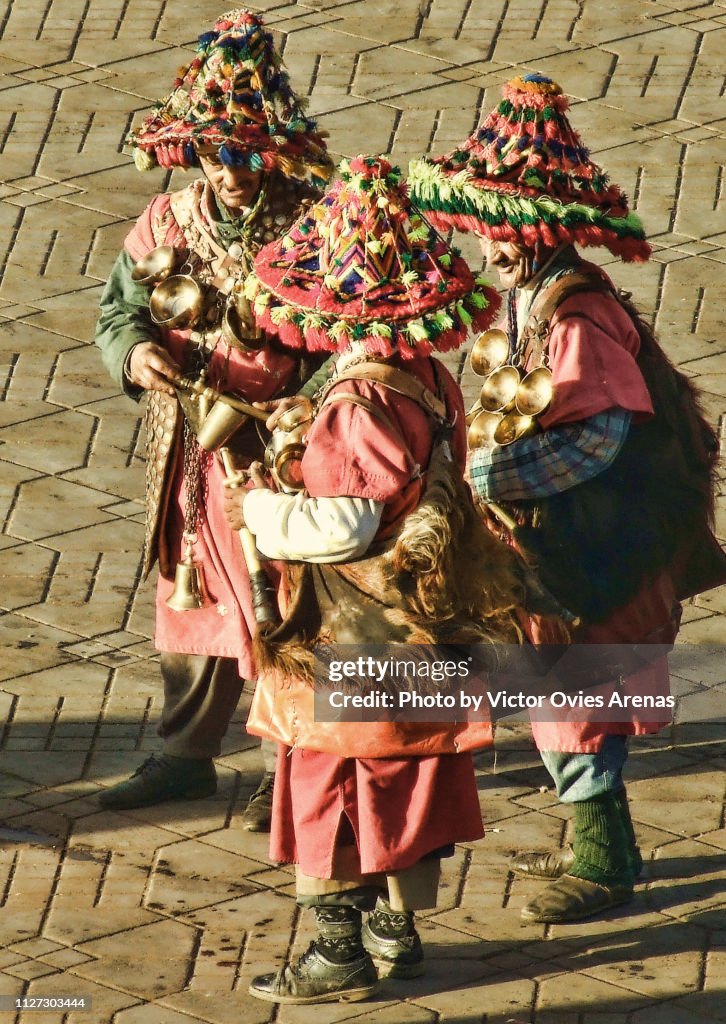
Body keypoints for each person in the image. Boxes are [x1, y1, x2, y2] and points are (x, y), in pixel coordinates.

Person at [409, 74, 726, 923]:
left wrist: (483, 477)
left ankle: (603, 861)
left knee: (574, 702)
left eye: (505, 232)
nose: (491, 246)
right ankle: (604, 845)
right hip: (572, 549)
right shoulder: (530, 298)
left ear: (542, 234)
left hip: (596, 552)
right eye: (485, 229)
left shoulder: (576, 319)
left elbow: (601, 436)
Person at [224, 155, 522, 1003]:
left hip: (357, 636)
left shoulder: (358, 402)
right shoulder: (427, 379)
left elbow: (349, 523)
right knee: (401, 783)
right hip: (424, 628)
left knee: (335, 784)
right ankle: (398, 932)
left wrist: (263, 514)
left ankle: (337, 954)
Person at [93, 8, 333, 825]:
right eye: (217, 153)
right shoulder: (165, 224)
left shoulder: (316, 221)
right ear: (192, 150)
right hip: (191, 446)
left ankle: (291, 757)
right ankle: (185, 753)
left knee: (289, 598)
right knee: (192, 594)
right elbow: (119, 314)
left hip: (285, 447)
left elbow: (354, 328)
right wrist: (135, 356)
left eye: (247, 153)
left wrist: (319, 394)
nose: (233, 171)